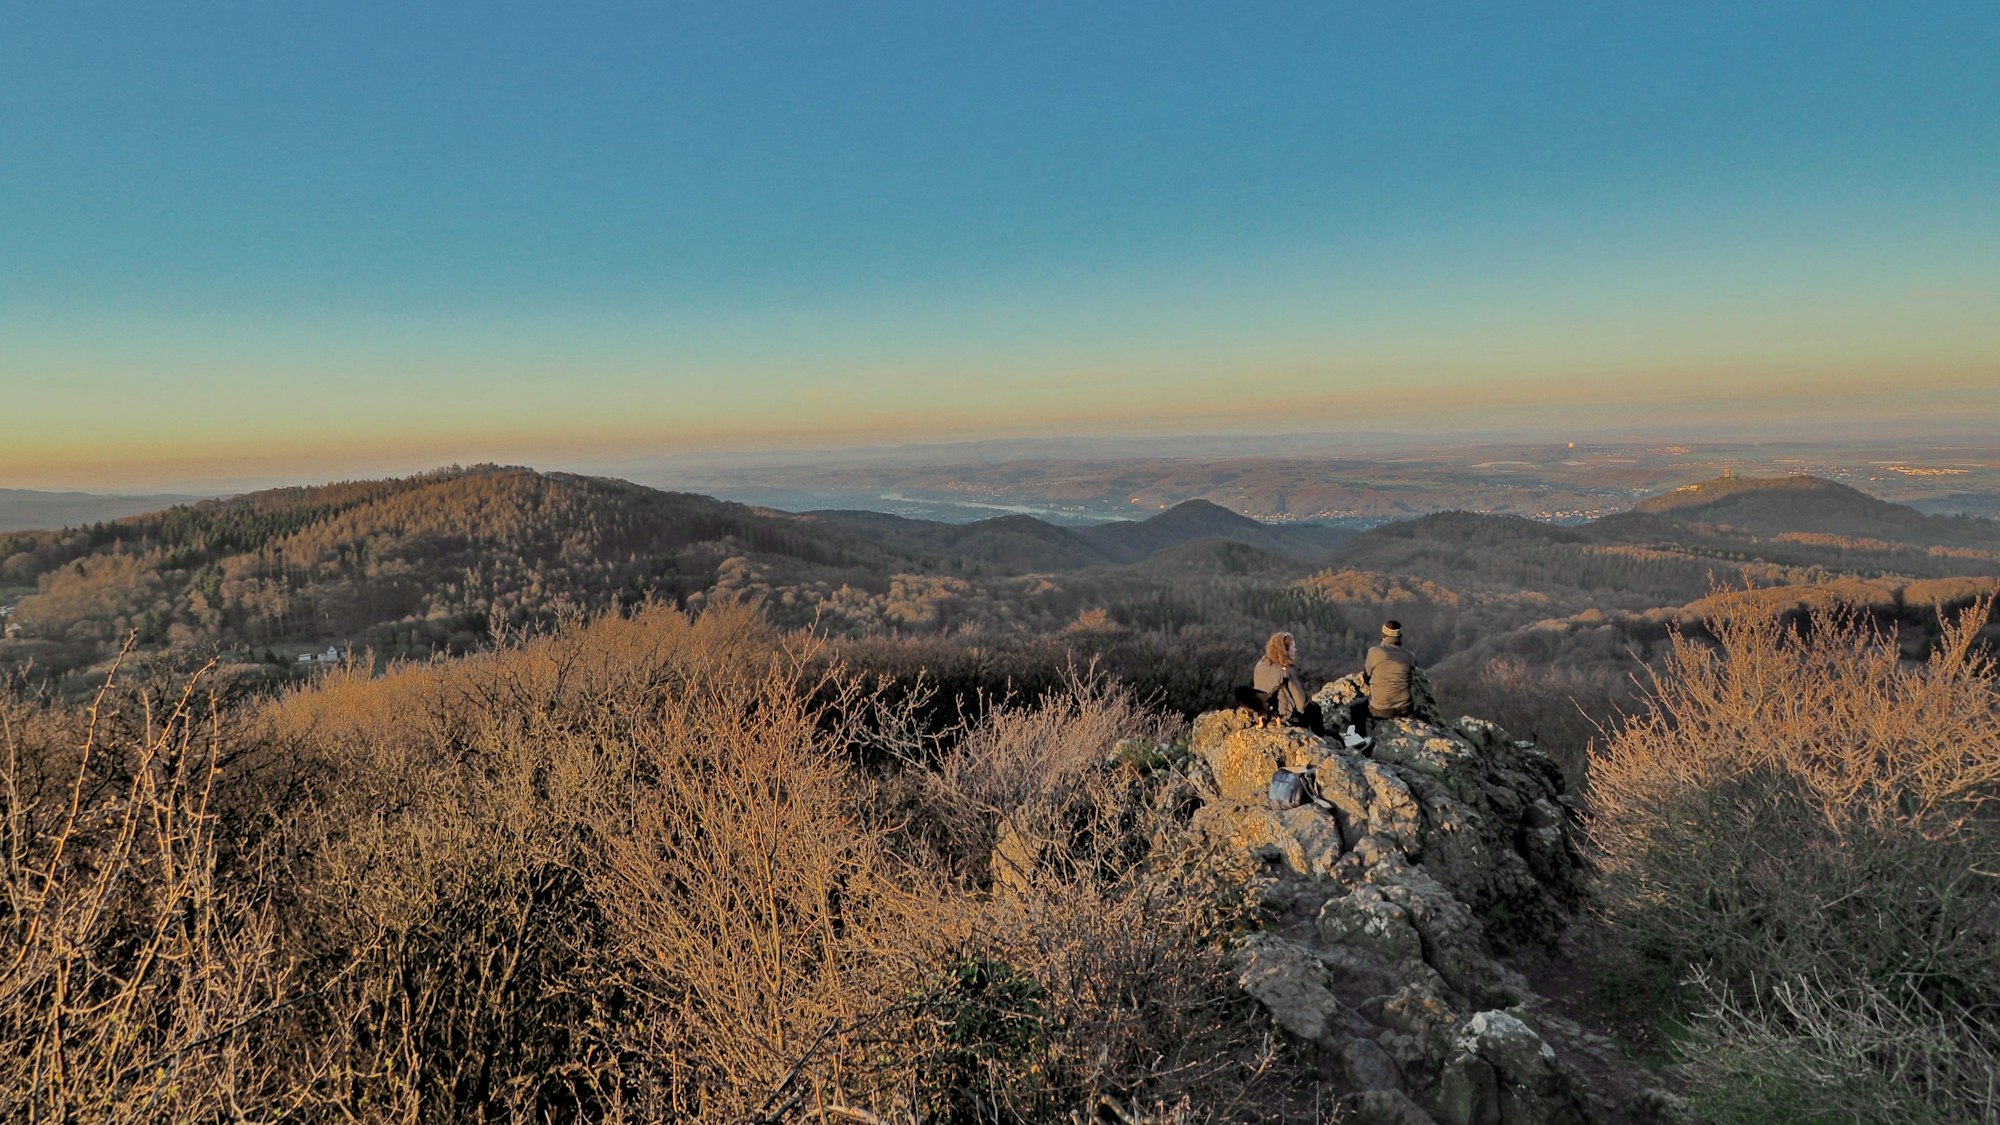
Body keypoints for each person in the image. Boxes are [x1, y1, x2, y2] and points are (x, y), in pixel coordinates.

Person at [1234, 631, 1325, 734]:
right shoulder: (1287, 670)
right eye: (1293, 647)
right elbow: (1301, 705)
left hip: (1261, 715)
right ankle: (1321, 739)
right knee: (1314, 708)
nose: (1295, 650)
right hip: (1284, 717)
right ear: (1285, 650)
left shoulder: (1260, 665)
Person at [1354, 619, 1416, 739]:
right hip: (1406, 708)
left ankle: (1360, 740)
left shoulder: (1375, 652)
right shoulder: (1410, 656)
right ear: (1400, 636)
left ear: (1383, 635)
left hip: (1382, 709)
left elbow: (1366, 677)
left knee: (1356, 707)